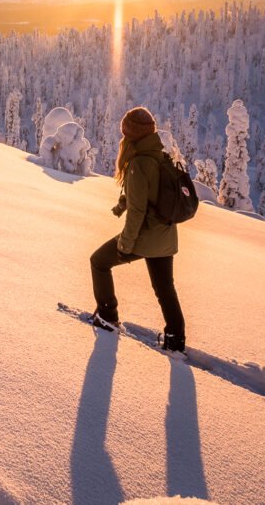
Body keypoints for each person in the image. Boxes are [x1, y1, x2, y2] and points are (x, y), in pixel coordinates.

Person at [89, 106, 186, 352]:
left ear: (131, 135)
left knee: (99, 261)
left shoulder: (138, 163)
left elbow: (138, 212)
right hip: (166, 237)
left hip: (146, 237)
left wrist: (125, 244)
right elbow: (146, 195)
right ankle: (176, 340)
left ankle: (107, 317)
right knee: (165, 289)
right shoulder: (157, 155)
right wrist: (123, 203)